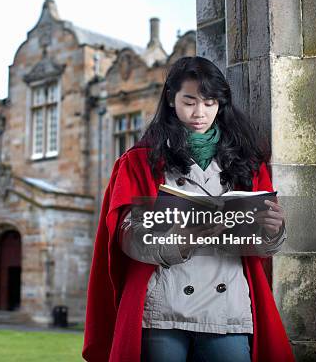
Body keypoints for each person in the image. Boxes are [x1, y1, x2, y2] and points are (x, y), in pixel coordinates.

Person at [82, 56, 295, 362]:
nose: (200, 113)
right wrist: (177, 238)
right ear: (171, 99)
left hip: (228, 307)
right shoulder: (139, 161)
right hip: (162, 308)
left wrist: (273, 230)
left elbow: (262, 247)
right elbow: (125, 236)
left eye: (210, 103)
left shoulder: (248, 161)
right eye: (190, 101)